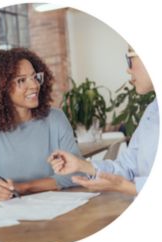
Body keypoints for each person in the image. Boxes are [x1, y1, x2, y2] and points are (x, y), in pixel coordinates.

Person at [0, 48, 83, 202]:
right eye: (21, 80)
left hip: (56, 209)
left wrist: (23, 187)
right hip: (8, 215)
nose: (34, 85)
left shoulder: (55, 119)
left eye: (34, 77)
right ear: (0, 89)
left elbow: (78, 173)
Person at [48, 47, 159, 196]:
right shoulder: (152, 111)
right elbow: (127, 166)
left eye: (129, 59)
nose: (128, 69)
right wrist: (82, 165)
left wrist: (126, 187)